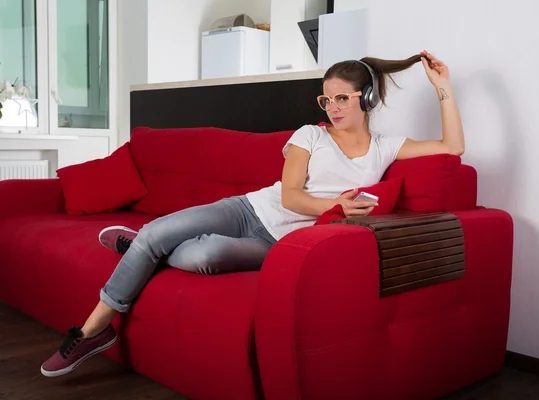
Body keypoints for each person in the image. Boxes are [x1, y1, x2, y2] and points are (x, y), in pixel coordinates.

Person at [41, 50, 464, 377]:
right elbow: (294, 197)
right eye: (326, 97)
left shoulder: (384, 148)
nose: (331, 107)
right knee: (154, 232)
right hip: (248, 210)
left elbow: (452, 147)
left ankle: (141, 250)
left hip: (281, 243)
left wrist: (442, 86)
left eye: (341, 98)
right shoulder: (309, 136)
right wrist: (335, 205)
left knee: (201, 258)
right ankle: (94, 330)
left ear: (365, 99)